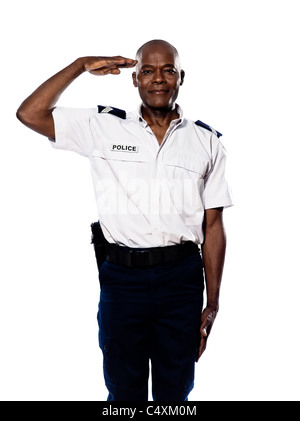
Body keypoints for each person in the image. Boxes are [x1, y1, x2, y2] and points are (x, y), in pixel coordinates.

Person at [16, 39, 233, 401]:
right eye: (147, 70)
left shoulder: (206, 141)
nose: (158, 79)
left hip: (181, 280)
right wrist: (80, 64)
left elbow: (213, 227)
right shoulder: (103, 127)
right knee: (122, 390)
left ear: (181, 76)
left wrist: (213, 302)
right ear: (135, 79)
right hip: (123, 279)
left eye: (168, 70)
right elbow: (30, 114)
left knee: (175, 391)